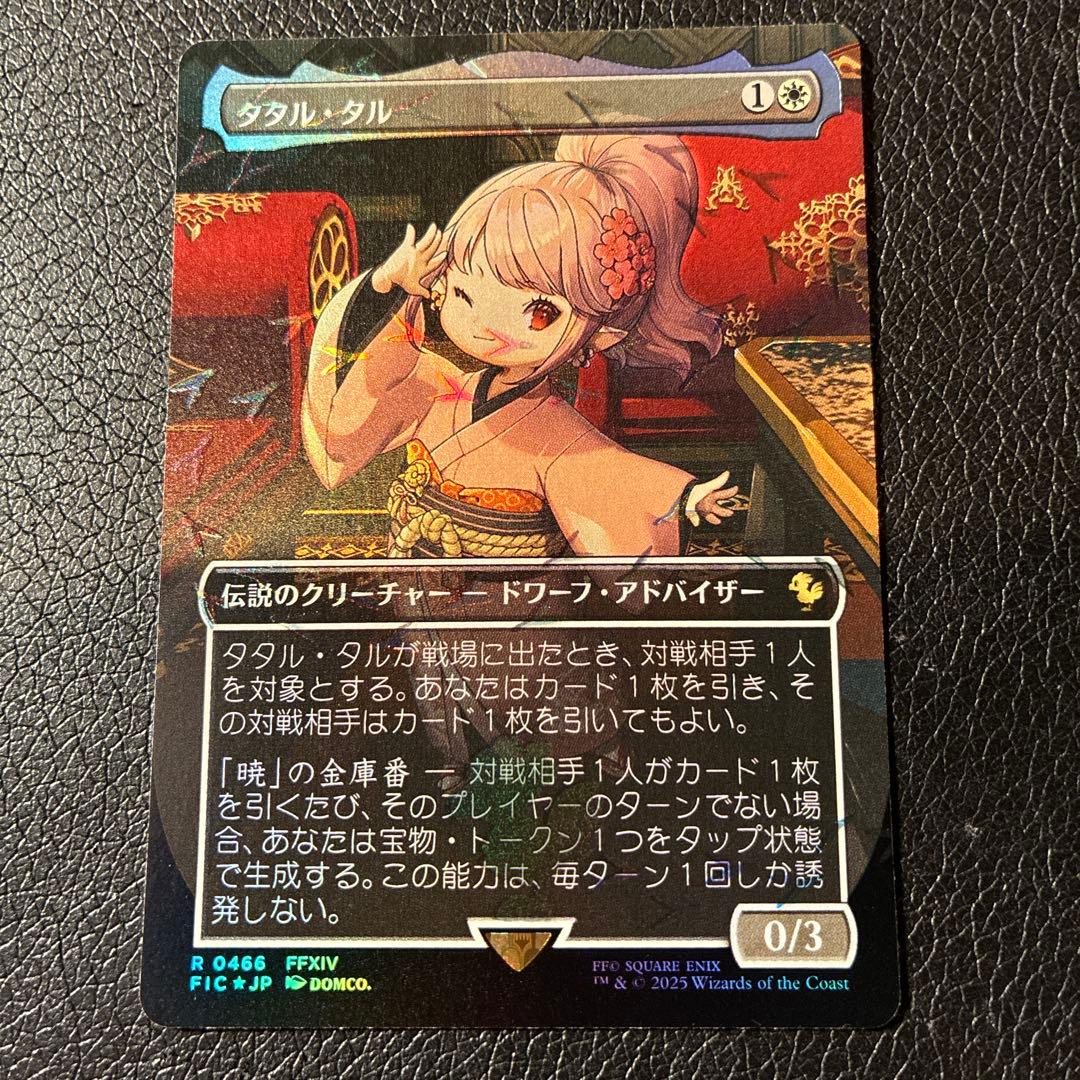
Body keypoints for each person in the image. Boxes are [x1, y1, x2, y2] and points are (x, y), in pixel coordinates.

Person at [303, 133, 739, 559]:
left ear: (601, 333)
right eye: (464, 294)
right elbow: (356, 408)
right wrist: (384, 289)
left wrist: (682, 498)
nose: (486, 325)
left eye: (540, 313)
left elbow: (610, 473)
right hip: (415, 574)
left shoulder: (557, 431)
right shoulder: (439, 387)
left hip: (508, 592)